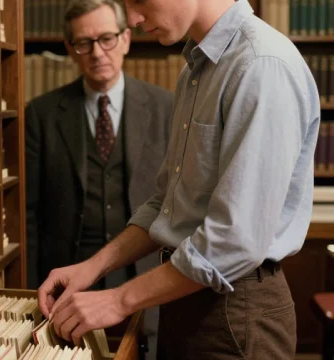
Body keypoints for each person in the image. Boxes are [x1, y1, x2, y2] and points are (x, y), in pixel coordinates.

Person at [38, 0, 321, 358]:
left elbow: (234, 242)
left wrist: (117, 300)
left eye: (139, 1)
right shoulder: (194, 70)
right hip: (180, 296)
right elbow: (165, 205)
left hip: (236, 312)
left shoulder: (261, 65)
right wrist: (91, 268)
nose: (135, 20)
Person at [25, 0, 174, 357]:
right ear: (69, 49)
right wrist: (30, 293)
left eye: (106, 38)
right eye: (84, 43)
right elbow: (28, 215)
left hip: (144, 278)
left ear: (125, 39)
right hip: (69, 284)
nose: (97, 53)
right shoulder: (41, 115)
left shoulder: (167, 107)